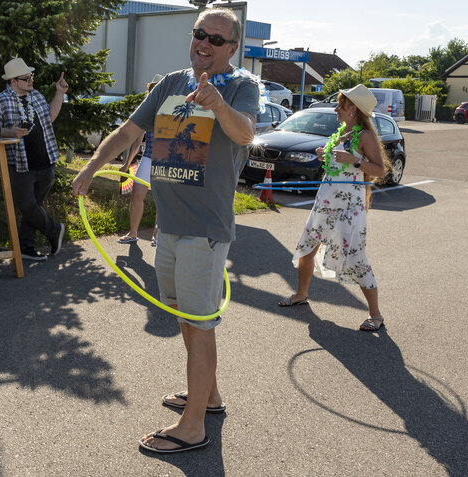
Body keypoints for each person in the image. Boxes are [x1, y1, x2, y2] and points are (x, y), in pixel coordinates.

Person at [72, 7, 259, 453]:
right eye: (200, 34)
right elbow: (127, 131)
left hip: (204, 228)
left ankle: (193, 427)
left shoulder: (241, 86)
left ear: (232, 48)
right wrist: (92, 165)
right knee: (183, 316)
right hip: (168, 226)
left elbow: (246, 134)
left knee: (200, 323)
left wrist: (218, 104)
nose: (205, 44)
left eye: (216, 39)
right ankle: (207, 397)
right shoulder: (173, 82)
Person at [278, 84, 387, 332]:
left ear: (354, 110)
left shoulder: (365, 137)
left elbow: (379, 170)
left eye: (341, 104)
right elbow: (336, 166)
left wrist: (356, 160)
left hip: (349, 205)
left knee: (355, 256)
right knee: (307, 247)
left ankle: (376, 314)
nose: (336, 108)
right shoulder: (340, 134)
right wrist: (323, 155)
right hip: (325, 200)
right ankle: (301, 294)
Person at [0, 57, 66, 261]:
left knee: (34, 207)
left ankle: (26, 248)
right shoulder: (0, 101)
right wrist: (9, 132)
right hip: (20, 165)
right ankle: (54, 230)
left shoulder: (35, 95)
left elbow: (50, 117)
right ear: (13, 81)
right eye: (26, 78)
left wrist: (59, 94)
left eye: (31, 76)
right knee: (27, 206)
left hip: (46, 162)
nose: (31, 80)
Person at [117, 74, 163, 247]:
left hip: (165, 162)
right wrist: (127, 163)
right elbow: (137, 140)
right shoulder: (146, 110)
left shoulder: (171, 110)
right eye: (152, 88)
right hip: (148, 157)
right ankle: (133, 233)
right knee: (136, 195)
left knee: (161, 200)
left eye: (158, 87)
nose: (154, 91)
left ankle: (157, 235)